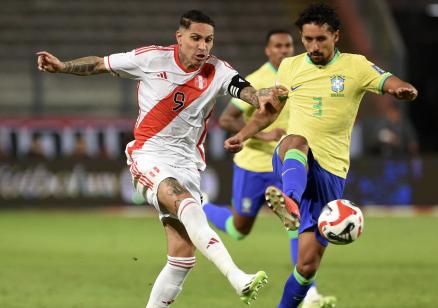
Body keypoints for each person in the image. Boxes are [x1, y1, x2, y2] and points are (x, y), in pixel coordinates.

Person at [36, 10, 282, 307]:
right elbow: (101, 63)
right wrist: (62, 66)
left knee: (182, 259)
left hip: (188, 165)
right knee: (187, 206)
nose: (203, 47)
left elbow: (244, 90)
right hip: (149, 156)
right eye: (195, 39)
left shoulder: (218, 70)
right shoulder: (151, 59)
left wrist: (261, 96)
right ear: (179, 37)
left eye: (209, 40)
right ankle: (237, 277)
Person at [224, 4, 418, 307]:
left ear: (336, 36)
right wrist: (243, 134)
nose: (314, 46)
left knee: (306, 266)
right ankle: (289, 202)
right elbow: (270, 111)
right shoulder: (290, 67)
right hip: (294, 160)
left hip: (331, 174)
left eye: (320, 39)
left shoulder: (356, 66)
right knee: (296, 141)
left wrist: (401, 89)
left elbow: (388, 80)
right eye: (308, 39)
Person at [203, 29, 335, 307]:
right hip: (252, 166)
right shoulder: (257, 80)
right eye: (278, 46)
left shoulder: (301, 75)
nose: (284, 50)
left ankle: (310, 295)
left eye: (288, 45)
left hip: (286, 164)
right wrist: (264, 135)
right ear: (268, 50)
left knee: (296, 223)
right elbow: (228, 120)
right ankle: (199, 206)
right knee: (239, 230)